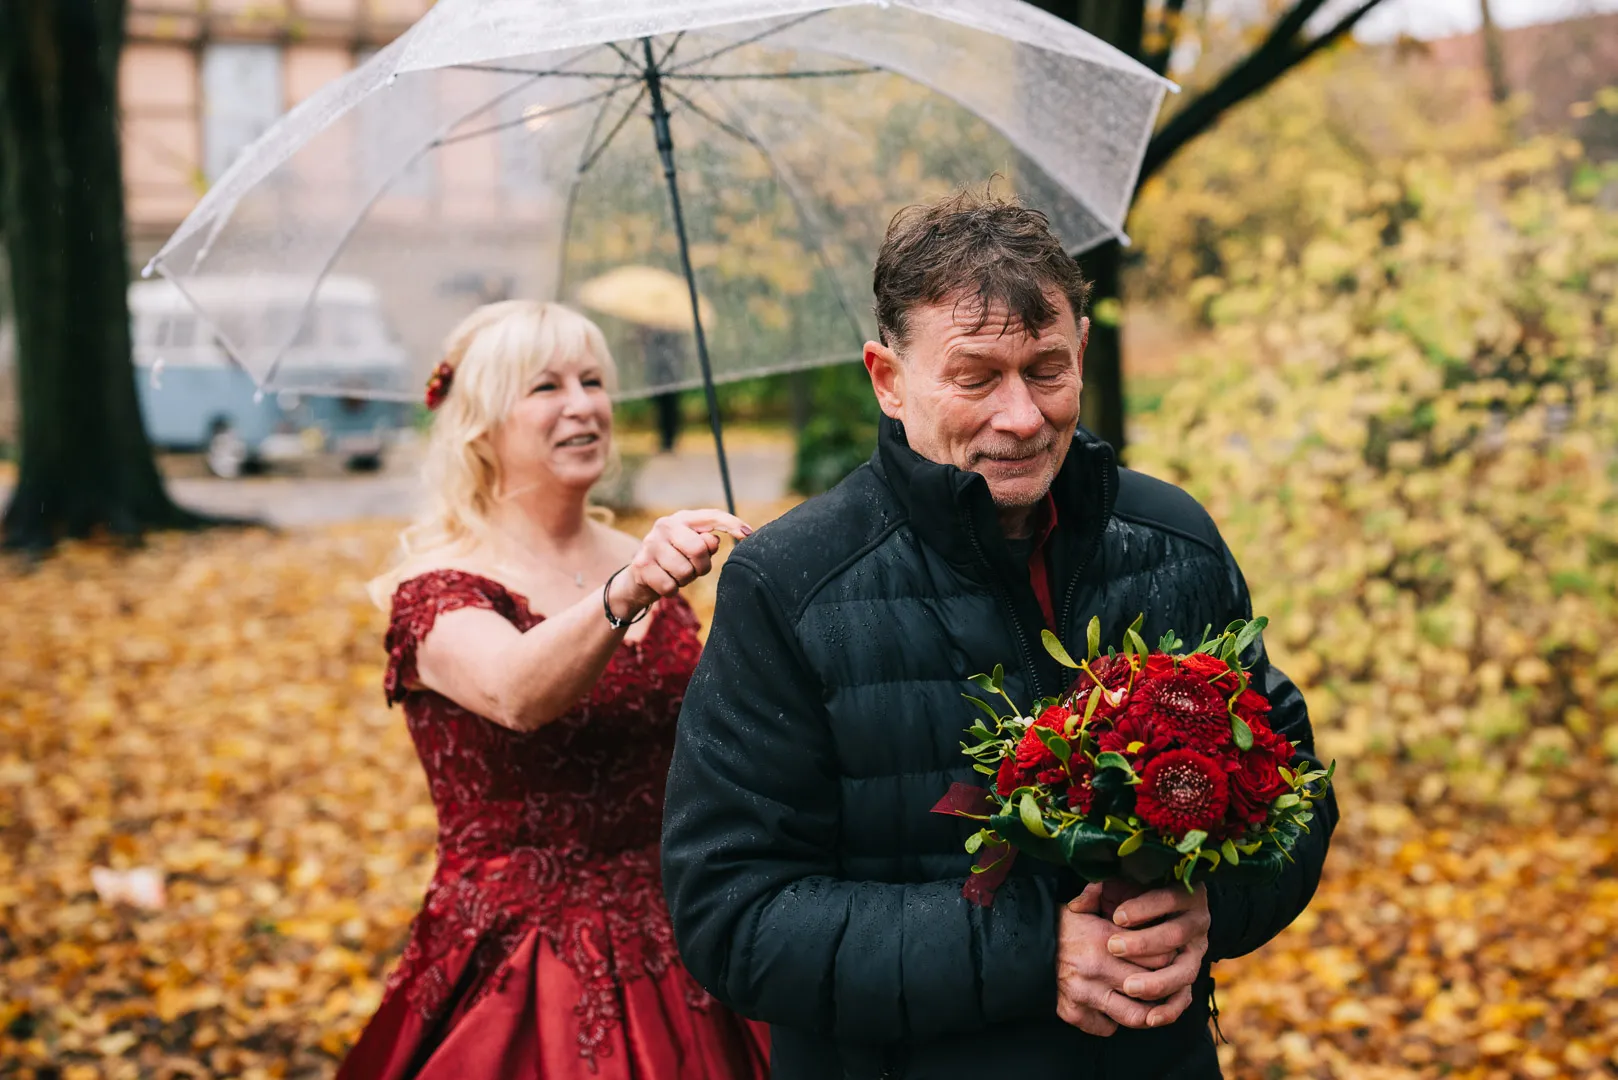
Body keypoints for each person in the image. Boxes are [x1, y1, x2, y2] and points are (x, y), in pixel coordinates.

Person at [661, 190, 1338, 1079]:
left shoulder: (1174, 540)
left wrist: (1218, 904)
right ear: (887, 378)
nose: (1021, 417)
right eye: (976, 377)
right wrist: (1033, 951)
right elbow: (733, 914)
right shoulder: (788, 586)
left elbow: (1292, 789)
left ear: (1082, 350)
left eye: (1046, 370)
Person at [340, 300, 767, 1080]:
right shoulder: (436, 589)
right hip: (523, 961)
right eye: (546, 387)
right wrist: (630, 587)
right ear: (479, 425)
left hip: (688, 921)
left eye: (593, 380)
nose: (583, 405)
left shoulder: (647, 557)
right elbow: (516, 694)